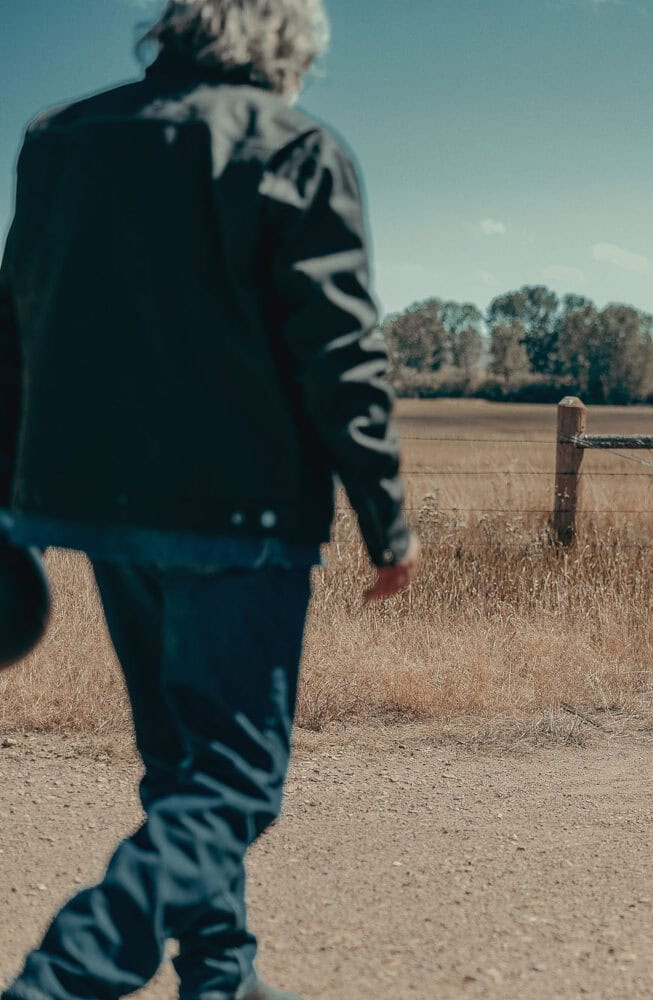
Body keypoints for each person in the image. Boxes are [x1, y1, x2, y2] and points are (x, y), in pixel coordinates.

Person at [0, 2, 415, 997]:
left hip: (98, 507)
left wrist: (14, 502)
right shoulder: (297, 148)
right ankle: (60, 982)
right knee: (232, 782)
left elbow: (16, 320)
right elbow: (342, 353)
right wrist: (386, 516)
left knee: (179, 766)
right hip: (242, 515)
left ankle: (222, 974)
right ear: (287, 41)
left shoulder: (60, 139)